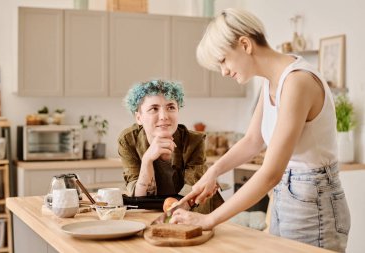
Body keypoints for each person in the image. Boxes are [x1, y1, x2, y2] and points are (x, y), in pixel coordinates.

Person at [171, 8, 350, 252]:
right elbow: (253, 141)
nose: (223, 71)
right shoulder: (270, 81)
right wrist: (214, 172)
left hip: (314, 204)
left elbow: (270, 173)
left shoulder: (298, 82)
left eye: (223, 60)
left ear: (245, 44)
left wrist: (209, 220)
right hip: (287, 199)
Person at [118, 79, 224, 214]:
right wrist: (147, 161)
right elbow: (139, 198)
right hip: (150, 214)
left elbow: (190, 195)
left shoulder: (194, 141)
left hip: (195, 213)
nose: (164, 116)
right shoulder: (128, 140)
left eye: (171, 107)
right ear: (139, 117)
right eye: (154, 109)